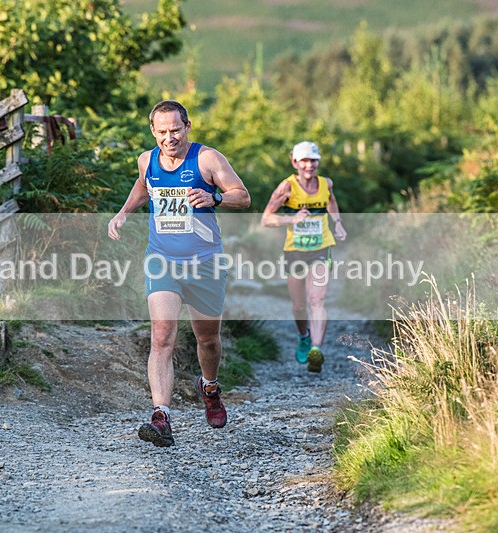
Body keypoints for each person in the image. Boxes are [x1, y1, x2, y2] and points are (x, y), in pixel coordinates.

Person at [108, 100, 250, 447]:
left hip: (204, 262)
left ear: (187, 126)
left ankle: (210, 387)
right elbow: (144, 186)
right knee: (162, 335)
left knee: (208, 340)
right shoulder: (147, 160)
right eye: (163, 131)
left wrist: (214, 197)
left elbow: (242, 196)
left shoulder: (207, 159)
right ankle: (161, 417)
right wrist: (124, 212)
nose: (169, 137)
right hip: (162, 260)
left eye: (176, 129)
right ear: (153, 131)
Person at [261, 141, 347, 373]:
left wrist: (337, 224)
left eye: (313, 160)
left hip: (321, 248)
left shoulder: (325, 183)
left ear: (318, 161)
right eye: (304, 161)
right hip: (295, 251)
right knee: (299, 306)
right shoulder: (287, 188)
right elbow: (266, 218)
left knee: (317, 300)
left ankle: (316, 350)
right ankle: (304, 336)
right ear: (295, 162)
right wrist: (291, 219)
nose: (309, 165)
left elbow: (331, 202)